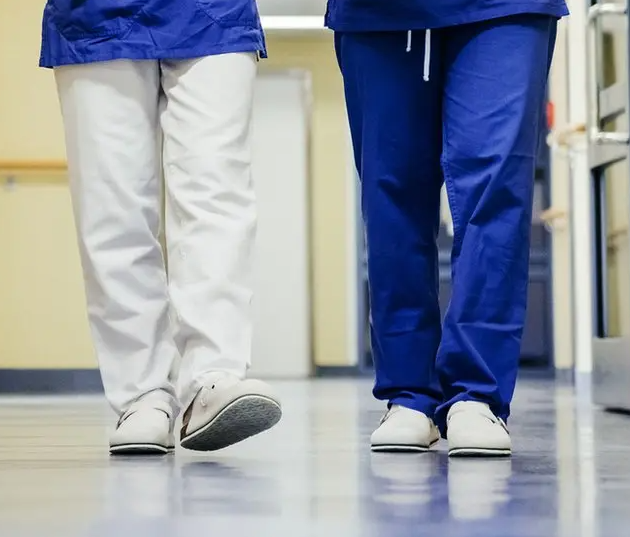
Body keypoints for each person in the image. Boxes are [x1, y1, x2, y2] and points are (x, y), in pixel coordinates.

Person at [40, 0, 283, 455]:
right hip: (93, 14)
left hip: (213, 12)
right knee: (112, 204)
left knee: (215, 190)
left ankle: (213, 378)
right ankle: (142, 394)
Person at [326, 0, 566, 456]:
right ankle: (409, 395)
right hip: (379, 14)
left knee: (495, 187)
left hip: (505, 8)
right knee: (391, 193)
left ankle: (478, 395)